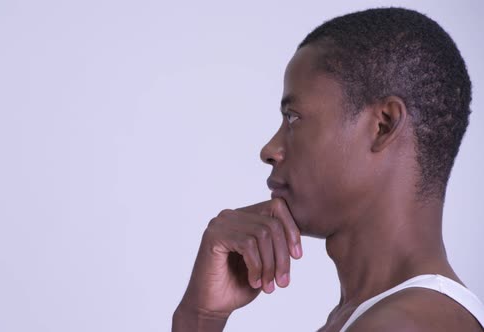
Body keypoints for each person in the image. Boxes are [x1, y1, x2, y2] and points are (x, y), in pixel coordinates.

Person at [172, 7, 484, 332]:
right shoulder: (374, 316)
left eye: (293, 118)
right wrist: (201, 316)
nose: (270, 150)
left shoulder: (400, 325)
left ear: (383, 125)